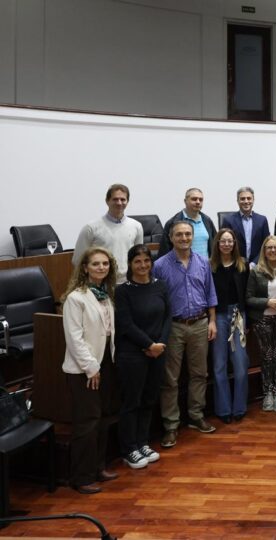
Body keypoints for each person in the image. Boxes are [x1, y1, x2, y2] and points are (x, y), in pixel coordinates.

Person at [153, 221, 218, 448]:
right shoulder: (160, 266)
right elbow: (156, 301)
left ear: (193, 237)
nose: (184, 238)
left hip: (200, 323)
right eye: (179, 234)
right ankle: (171, 425)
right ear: (171, 238)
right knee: (170, 378)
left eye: (188, 234)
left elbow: (210, 292)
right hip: (173, 326)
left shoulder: (202, 262)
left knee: (200, 373)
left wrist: (212, 321)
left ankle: (196, 415)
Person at [62, 247, 119, 494]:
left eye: (105, 264)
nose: (101, 268)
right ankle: (81, 477)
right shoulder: (76, 298)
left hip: (106, 359)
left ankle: (98, 467)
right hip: (84, 368)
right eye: (95, 264)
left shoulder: (105, 294)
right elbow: (74, 338)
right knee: (87, 422)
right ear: (85, 268)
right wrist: (91, 368)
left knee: (104, 417)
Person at [115, 244, 171, 470]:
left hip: (157, 351)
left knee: (149, 399)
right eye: (137, 261)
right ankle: (129, 449)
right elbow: (126, 324)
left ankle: (142, 442)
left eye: (146, 261)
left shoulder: (160, 285)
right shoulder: (123, 290)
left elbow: (168, 316)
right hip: (132, 354)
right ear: (130, 264)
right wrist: (148, 345)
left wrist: (160, 344)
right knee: (132, 402)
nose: (142, 265)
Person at [246, 235, 276, 413]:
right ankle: (268, 394)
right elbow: (248, 298)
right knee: (267, 357)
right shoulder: (256, 271)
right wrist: (268, 302)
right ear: (264, 251)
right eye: (269, 248)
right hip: (263, 320)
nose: (273, 250)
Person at [210, 228, 250, 424]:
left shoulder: (243, 265)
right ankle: (223, 409)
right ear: (217, 244)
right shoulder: (210, 266)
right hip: (218, 315)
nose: (226, 244)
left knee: (241, 364)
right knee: (219, 364)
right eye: (223, 241)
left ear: (234, 244)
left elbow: (247, 296)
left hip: (238, 316)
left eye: (230, 241)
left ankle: (240, 407)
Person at [73, 183, 143, 284]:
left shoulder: (136, 226)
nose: (119, 203)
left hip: (128, 283)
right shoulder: (91, 228)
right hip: (100, 284)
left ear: (127, 201)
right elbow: (78, 260)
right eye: (115, 199)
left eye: (123, 199)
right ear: (107, 201)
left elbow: (138, 257)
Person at [159, 188, 217, 257]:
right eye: (194, 199)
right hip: (181, 267)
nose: (198, 202)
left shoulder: (207, 220)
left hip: (205, 266)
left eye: (201, 200)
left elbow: (215, 245)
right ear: (185, 201)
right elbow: (164, 251)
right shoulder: (173, 222)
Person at [222, 186, 270, 265]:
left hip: (257, 266)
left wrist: (254, 263)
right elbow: (224, 245)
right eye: (242, 199)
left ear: (253, 200)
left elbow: (266, 245)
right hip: (235, 265)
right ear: (237, 201)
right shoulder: (228, 220)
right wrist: (237, 261)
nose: (246, 201)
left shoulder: (262, 220)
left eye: (249, 198)